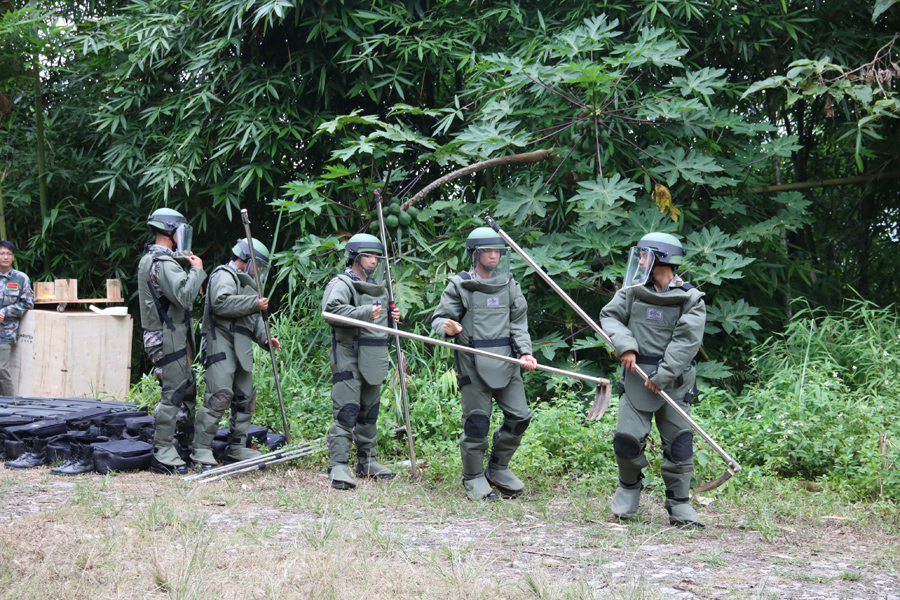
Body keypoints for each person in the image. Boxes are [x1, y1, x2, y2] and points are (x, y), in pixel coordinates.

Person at [599, 232, 706, 527]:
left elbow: (687, 341)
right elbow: (609, 318)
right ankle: (629, 492)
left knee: (680, 445)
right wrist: (626, 346)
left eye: (645, 255)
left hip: (675, 383)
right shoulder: (631, 291)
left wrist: (664, 374)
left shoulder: (691, 298)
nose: (640, 260)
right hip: (636, 380)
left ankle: (680, 505)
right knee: (627, 442)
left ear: (661, 258)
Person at [431, 227, 538, 501]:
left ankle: (498, 468)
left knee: (520, 417)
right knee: (477, 423)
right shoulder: (459, 286)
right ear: (475, 254)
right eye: (487, 251)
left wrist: (525, 352)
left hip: (507, 362)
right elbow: (438, 319)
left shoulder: (510, 285)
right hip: (472, 362)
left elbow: (518, 323)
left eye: (497, 252)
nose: (493, 256)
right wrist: (449, 328)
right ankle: (474, 477)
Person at [192, 238, 280, 470]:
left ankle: (237, 447)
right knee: (218, 396)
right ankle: (201, 448)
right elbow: (221, 303)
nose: (259, 271)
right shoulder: (224, 275)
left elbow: (254, 321)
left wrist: (265, 338)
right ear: (246, 259)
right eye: (257, 266)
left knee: (246, 397)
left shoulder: (249, 286)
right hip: (220, 345)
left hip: (242, 348)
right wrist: (254, 303)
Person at [321, 233, 399, 490]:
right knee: (347, 411)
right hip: (349, 356)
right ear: (355, 256)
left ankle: (367, 461)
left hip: (373, 357)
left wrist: (392, 315)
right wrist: (366, 312)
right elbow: (330, 311)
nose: (374, 261)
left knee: (369, 412)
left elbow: (380, 322)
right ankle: (338, 465)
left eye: (377, 256)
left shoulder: (379, 287)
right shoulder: (342, 283)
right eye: (368, 255)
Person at [137, 208, 206, 475]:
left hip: (172, 336)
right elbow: (185, 297)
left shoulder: (156, 259)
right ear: (169, 232)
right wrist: (197, 271)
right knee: (173, 394)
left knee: (186, 390)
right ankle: (163, 452)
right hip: (166, 338)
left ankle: (182, 446)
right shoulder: (162, 263)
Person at [0, 241, 34, 397]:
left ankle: (10, 406)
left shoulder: (21, 278)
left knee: (1, 369)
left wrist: (5, 312)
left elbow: (28, 303)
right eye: (2, 253)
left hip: (5, 332)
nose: (5, 257)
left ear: (13, 257)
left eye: (8, 254)